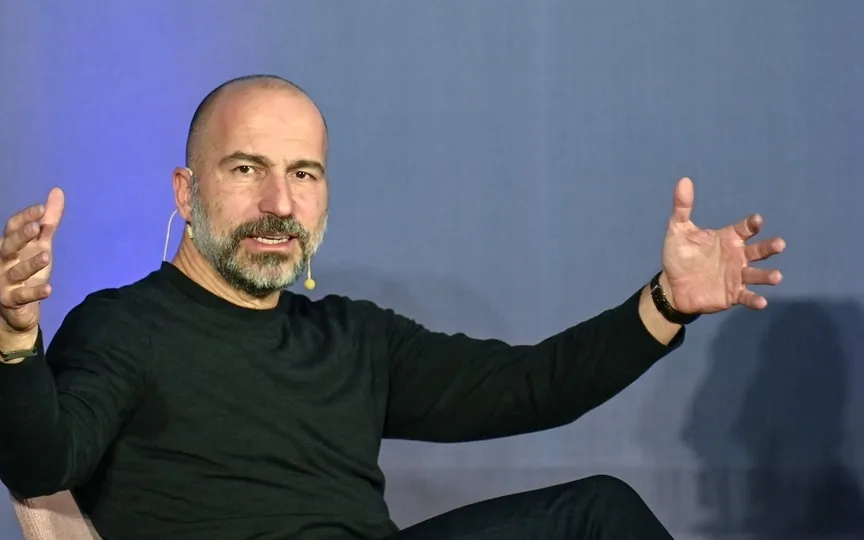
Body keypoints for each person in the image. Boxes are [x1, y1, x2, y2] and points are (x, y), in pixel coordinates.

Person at [0, 75, 786, 540]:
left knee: (596, 515)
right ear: (187, 190)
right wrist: (13, 337)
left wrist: (665, 304)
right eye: (247, 169)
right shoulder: (123, 325)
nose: (279, 202)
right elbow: (42, 465)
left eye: (304, 175)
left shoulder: (351, 338)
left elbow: (536, 384)